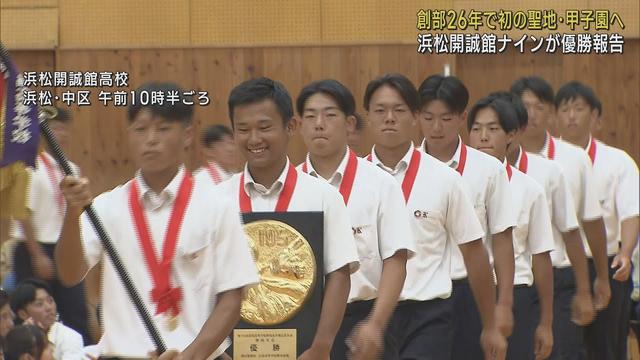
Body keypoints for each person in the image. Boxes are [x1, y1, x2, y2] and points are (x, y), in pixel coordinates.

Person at [54, 82, 259, 359]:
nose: (150, 139)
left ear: (187, 135)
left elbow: (233, 297)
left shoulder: (216, 206)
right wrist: (72, 211)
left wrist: (192, 355)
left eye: (163, 129)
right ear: (129, 135)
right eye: (140, 129)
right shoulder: (106, 207)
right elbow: (69, 274)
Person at [363, 73, 506, 360]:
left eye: (399, 110)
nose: (389, 118)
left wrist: (490, 324)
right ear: (367, 116)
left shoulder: (445, 179)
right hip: (365, 313)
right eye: (380, 111)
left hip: (427, 314)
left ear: (414, 116)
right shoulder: (352, 180)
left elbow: (475, 253)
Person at [217, 77, 360, 359]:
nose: (254, 139)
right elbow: (204, 283)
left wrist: (322, 346)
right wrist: (216, 350)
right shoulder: (217, 200)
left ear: (290, 126)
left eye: (264, 127)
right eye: (243, 129)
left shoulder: (323, 197)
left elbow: (339, 276)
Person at [296, 79, 416, 360]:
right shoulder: (290, 185)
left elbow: (396, 260)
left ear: (350, 124)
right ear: (299, 125)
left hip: (362, 320)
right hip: (304, 323)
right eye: (310, 116)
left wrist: (376, 323)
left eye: (329, 114)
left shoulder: (380, 184)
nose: (319, 124)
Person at [417, 75, 516, 358]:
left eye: (446, 118)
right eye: (428, 117)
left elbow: (502, 238)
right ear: (417, 117)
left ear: (462, 117)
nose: (436, 128)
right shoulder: (401, 172)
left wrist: (504, 305)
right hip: (418, 295)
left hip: (470, 293)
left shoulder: (488, 170)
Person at [555, 81, 639, 360]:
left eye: (578, 109)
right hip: (561, 269)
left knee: (607, 349)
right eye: (564, 109)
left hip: (607, 263)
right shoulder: (546, 162)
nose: (571, 116)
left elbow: (630, 213)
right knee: (564, 348)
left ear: (596, 118)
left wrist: (626, 254)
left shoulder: (618, 161)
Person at [467, 94, 555, 360]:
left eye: (493, 129)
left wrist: (546, 323)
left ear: (511, 135)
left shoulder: (530, 189)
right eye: (476, 129)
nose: (483, 137)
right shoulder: (452, 183)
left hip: (515, 297)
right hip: (463, 295)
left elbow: (541, 257)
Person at [9, 108, 90, 344]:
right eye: (54, 128)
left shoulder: (72, 169)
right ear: (43, 133)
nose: (60, 134)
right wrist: (37, 255)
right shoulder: (28, 166)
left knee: (75, 313)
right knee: (34, 317)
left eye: (64, 129)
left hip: (64, 247)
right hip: (34, 248)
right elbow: (22, 213)